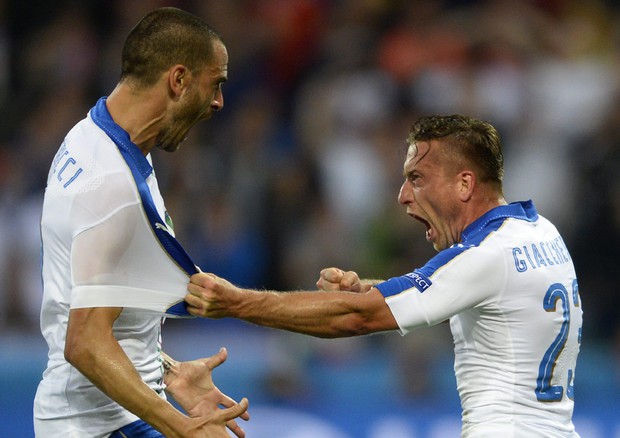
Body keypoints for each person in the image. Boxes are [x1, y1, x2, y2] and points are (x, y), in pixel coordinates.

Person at [186, 114, 583, 437]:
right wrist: (367, 289)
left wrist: (237, 302)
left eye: (417, 178)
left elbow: (355, 317)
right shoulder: (541, 232)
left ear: (464, 183)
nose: (403, 195)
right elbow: (470, 294)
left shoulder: (484, 255)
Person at [34, 7, 248, 438]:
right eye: (216, 83)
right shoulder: (111, 184)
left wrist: (167, 371)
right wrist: (182, 427)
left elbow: (98, 306)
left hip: (105, 416)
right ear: (179, 79)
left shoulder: (96, 134)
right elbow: (85, 343)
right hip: (98, 426)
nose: (219, 102)